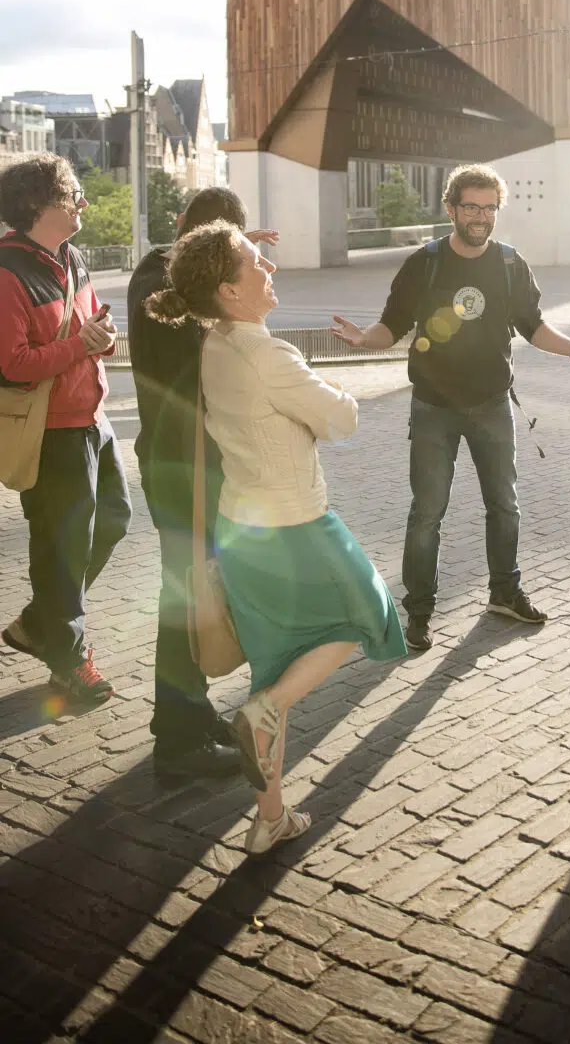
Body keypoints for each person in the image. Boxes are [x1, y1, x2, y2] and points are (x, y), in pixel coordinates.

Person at [146, 220, 406, 854]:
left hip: (241, 528)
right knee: (369, 613)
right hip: (297, 524)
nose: (269, 269)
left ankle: (270, 819)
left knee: (272, 667)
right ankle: (267, 711)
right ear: (229, 292)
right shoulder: (269, 356)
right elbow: (342, 419)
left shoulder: (213, 344)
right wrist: (327, 391)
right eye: (254, 263)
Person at [333, 163, 570, 652]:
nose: (480, 217)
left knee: (505, 505)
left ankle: (505, 593)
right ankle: (419, 612)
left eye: (489, 208)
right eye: (471, 207)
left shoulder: (510, 264)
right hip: (434, 407)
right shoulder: (424, 264)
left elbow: (533, 326)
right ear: (450, 208)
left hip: (492, 404)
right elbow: (392, 325)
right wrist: (365, 339)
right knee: (427, 513)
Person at [127, 186, 278, 784]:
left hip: (183, 462)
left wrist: (239, 267)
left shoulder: (160, 273)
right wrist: (237, 282)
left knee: (197, 589)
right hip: (184, 466)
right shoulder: (169, 285)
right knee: (188, 598)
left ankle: (189, 710)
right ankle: (178, 738)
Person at [0, 154, 130, 705]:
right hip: (51, 433)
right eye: (74, 194)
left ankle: (39, 623)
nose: (84, 202)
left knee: (114, 520)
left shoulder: (71, 256)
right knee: (62, 549)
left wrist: (103, 334)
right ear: (38, 203)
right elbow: (12, 365)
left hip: (92, 418)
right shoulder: (7, 272)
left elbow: (90, 321)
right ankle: (68, 663)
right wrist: (80, 346)